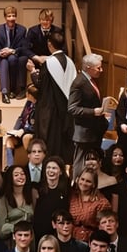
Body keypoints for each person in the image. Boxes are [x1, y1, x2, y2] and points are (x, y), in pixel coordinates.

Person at [28, 31, 76, 164]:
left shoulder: (49, 63)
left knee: (49, 146)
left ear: (49, 44)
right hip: (66, 110)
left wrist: (32, 72)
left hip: (50, 111)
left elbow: (41, 86)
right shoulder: (71, 63)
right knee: (62, 147)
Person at [68, 53, 108, 179]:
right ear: (89, 67)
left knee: (92, 163)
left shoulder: (90, 81)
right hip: (84, 132)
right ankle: (76, 190)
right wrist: (93, 112)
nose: (101, 70)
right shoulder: (79, 83)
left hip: (94, 130)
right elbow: (72, 108)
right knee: (81, 163)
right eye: (98, 68)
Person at [0, 5, 30, 103]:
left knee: (13, 59)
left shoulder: (22, 30)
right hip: (0, 59)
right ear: (5, 17)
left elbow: (24, 48)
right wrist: (1, 52)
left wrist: (12, 51)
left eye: (13, 16)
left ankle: (12, 91)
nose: (11, 18)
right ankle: (5, 93)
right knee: (4, 61)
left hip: (14, 57)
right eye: (9, 16)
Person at [32, 156, 70, 241]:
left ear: (60, 172)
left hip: (58, 233)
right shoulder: (37, 188)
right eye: (48, 167)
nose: (51, 170)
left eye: (54, 168)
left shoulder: (66, 189)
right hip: (39, 232)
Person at [69, 169, 111, 242]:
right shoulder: (72, 196)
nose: (84, 183)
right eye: (82, 179)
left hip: (90, 240)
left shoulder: (102, 202)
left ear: (94, 184)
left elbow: (104, 227)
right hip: (70, 237)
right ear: (78, 179)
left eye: (88, 181)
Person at [0, 165, 34, 241]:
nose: (20, 176)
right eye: (16, 175)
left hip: (30, 241)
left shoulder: (31, 195)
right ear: (10, 179)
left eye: (22, 174)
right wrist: (18, 229)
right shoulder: (3, 200)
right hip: (11, 242)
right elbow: (1, 231)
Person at [5, 86, 37, 166]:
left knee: (26, 138)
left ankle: (31, 164)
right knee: (9, 140)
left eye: (27, 92)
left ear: (30, 95)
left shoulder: (39, 107)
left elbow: (36, 126)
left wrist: (23, 131)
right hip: (21, 131)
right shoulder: (28, 103)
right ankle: (10, 167)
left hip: (31, 132)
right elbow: (21, 117)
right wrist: (15, 131)